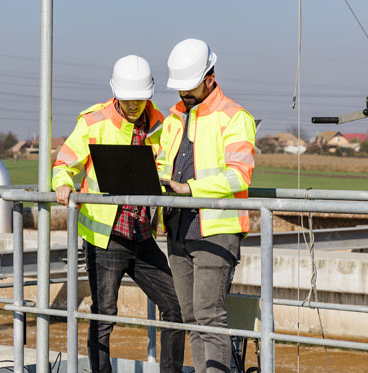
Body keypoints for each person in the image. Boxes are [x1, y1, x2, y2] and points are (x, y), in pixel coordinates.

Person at [52, 55, 185, 373]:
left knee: (174, 307)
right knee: (104, 314)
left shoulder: (160, 125)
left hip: (141, 235)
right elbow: (64, 162)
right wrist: (62, 184)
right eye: (128, 100)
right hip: (105, 236)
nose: (134, 106)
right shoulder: (92, 121)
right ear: (116, 94)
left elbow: (166, 169)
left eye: (140, 100)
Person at [156, 39, 256, 373]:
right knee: (191, 317)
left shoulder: (235, 117)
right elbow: (161, 164)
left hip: (215, 230)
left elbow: (239, 176)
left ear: (209, 79)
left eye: (189, 87)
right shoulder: (173, 120)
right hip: (177, 229)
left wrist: (191, 188)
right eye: (180, 88)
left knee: (210, 317)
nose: (183, 94)